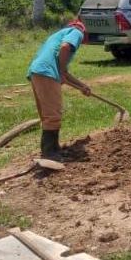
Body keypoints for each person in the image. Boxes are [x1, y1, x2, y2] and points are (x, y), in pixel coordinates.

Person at [27, 19, 91, 162]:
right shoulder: (76, 32)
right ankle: (49, 153)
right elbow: (65, 47)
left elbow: (65, 74)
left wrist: (82, 86)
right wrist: (61, 71)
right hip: (47, 72)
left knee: (47, 114)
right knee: (53, 115)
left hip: (37, 71)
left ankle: (53, 148)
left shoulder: (57, 35)